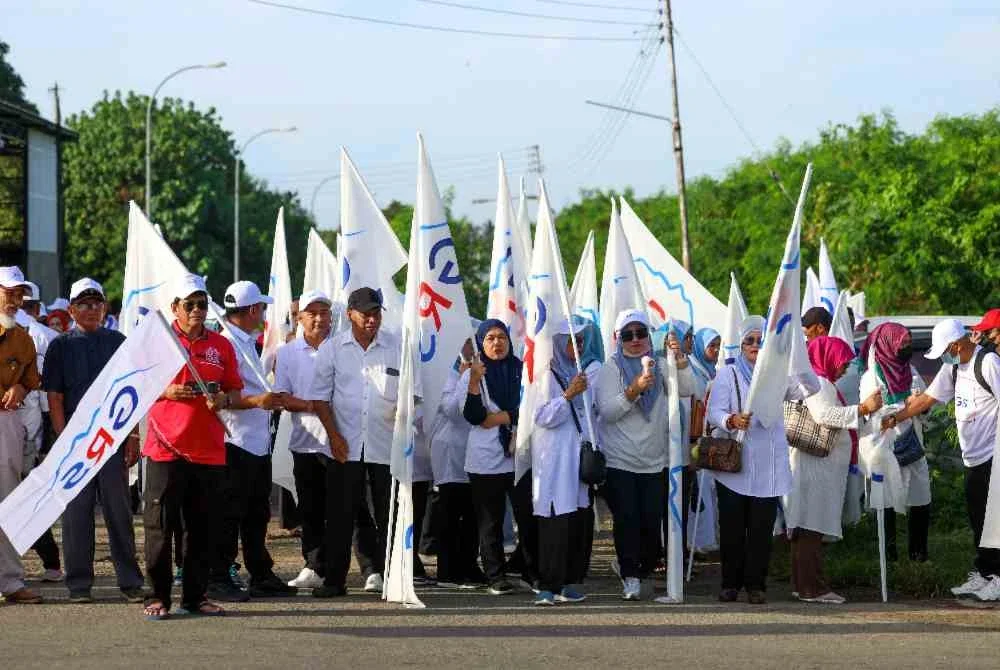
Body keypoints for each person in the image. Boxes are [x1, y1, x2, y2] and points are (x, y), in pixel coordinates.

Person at [141, 274, 244, 619]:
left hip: (208, 449)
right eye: (190, 304)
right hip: (165, 447)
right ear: (175, 308)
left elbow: (235, 391)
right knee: (160, 526)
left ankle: (195, 597)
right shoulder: (158, 343)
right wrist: (165, 391)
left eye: (202, 303)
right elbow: (135, 388)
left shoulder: (222, 345)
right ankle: (157, 596)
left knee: (201, 528)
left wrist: (223, 399)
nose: (198, 310)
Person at [42, 278, 145, 604]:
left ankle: (129, 581)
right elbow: (55, 397)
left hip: (111, 439)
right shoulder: (60, 345)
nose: (90, 309)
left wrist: (132, 435)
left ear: (105, 308)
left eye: (96, 303)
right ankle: (79, 584)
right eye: (83, 304)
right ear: (71, 309)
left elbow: (132, 395)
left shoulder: (119, 342)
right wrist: (63, 441)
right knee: (76, 515)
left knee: (119, 511)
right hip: (76, 443)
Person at [888, 318, 1000, 600]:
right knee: (980, 520)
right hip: (973, 457)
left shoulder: (987, 363)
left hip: (993, 453)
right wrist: (893, 418)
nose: (943, 357)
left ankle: (998, 579)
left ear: (955, 344)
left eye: (944, 351)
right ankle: (985, 574)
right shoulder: (952, 368)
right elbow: (926, 400)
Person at [310, 287, 408, 597]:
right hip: (345, 445)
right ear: (350, 313)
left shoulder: (396, 346)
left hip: (385, 445)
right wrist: (335, 436)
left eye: (376, 312)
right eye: (366, 313)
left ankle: (393, 579)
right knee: (340, 515)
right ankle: (334, 581)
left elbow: (410, 396)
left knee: (388, 515)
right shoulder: (334, 348)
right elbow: (320, 398)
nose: (372, 318)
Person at [707, 315, 808, 604]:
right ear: (740, 344)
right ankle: (730, 584)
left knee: (761, 529)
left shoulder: (777, 374)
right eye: (749, 340)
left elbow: (807, 389)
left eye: (759, 340)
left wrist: (797, 357)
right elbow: (715, 411)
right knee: (732, 528)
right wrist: (731, 420)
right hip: (735, 463)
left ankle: (756, 585)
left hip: (768, 464)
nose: (754, 345)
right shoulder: (728, 374)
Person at [595, 309, 692, 601]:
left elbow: (689, 389)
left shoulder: (661, 364)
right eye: (628, 334)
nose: (635, 340)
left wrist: (682, 362)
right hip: (620, 461)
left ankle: (639, 565)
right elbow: (608, 413)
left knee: (652, 526)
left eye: (640, 333)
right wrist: (633, 390)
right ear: (618, 338)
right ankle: (630, 576)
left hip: (655, 461)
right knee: (628, 521)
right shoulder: (609, 369)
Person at [209, 281, 292, 600]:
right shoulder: (226, 344)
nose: (264, 314)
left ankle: (260, 572)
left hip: (256, 442)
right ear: (254, 310)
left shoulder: (244, 341)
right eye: (262, 308)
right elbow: (220, 396)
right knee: (230, 514)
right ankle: (220, 574)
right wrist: (259, 401)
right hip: (235, 440)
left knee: (257, 513)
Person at [785, 336, 882, 604]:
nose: (845, 368)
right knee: (811, 525)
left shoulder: (817, 382)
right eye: (842, 362)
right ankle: (812, 588)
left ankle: (803, 584)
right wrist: (863, 408)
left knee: (806, 525)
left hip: (817, 465)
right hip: (817, 467)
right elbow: (824, 416)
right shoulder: (820, 384)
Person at [461, 319, 536, 595]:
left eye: (501, 337)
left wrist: (501, 417)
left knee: (528, 517)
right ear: (481, 343)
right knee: (490, 522)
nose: (497, 343)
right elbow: (474, 415)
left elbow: (531, 408)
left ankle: (530, 571)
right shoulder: (474, 373)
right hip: (485, 459)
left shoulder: (522, 370)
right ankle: (496, 576)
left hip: (519, 456)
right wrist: (473, 382)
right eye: (490, 338)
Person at [531, 320, 598, 606]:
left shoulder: (582, 374)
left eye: (581, 341)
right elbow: (543, 416)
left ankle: (570, 581)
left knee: (577, 521)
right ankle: (548, 584)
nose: (578, 347)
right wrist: (568, 394)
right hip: (555, 461)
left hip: (578, 459)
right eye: (572, 341)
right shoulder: (547, 377)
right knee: (554, 522)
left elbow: (591, 416)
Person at [274, 290, 334, 590]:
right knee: (310, 508)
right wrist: (314, 406)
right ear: (300, 318)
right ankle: (313, 565)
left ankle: (370, 567)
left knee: (351, 507)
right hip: (305, 440)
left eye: (324, 312)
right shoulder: (286, 353)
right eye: (313, 313)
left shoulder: (342, 348)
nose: (319, 319)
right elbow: (282, 396)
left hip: (341, 441)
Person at [858, 322, 932, 562]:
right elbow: (872, 414)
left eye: (909, 343)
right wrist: (904, 407)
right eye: (903, 343)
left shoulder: (910, 371)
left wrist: (918, 405)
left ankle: (918, 555)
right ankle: (888, 558)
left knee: (921, 497)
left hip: (912, 446)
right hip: (885, 448)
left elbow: (924, 407)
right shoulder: (872, 377)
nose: (907, 347)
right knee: (886, 501)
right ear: (888, 345)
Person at [0, 266, 43, 604]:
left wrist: (18, 387)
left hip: (7, 422)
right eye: (8, 293)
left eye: (19, 294)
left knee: (7, 501)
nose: (15, 300)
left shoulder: (23, 337)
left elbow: (31, 378)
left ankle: (11, 582)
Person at [17, 282, 62, 582]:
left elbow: (46, 391)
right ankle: (51, 562)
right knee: (24, 500)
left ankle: (51, 561)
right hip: (29, 430)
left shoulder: (41, 336)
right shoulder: (46, 335)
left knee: (22, 499)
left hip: (25, 433)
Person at [430, 339, 483, 589]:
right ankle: (447, 571)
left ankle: (470, 566)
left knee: (473, 513)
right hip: (450, 449)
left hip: (476, 449)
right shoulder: (448, 371)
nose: (470, 346)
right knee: (451, 512)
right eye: (465, 340)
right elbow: (452, 409)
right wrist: (465, 379)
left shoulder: (482, 368)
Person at [687, 327, 721, 554]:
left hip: (711, 437)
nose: (716, 350)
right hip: (696, 438)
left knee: (708, 490)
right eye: (712, 346)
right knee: (697, 492)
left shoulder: (712, 371)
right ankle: (694, 542)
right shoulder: (692, 372)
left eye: (718, 345)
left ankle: (705, 539)